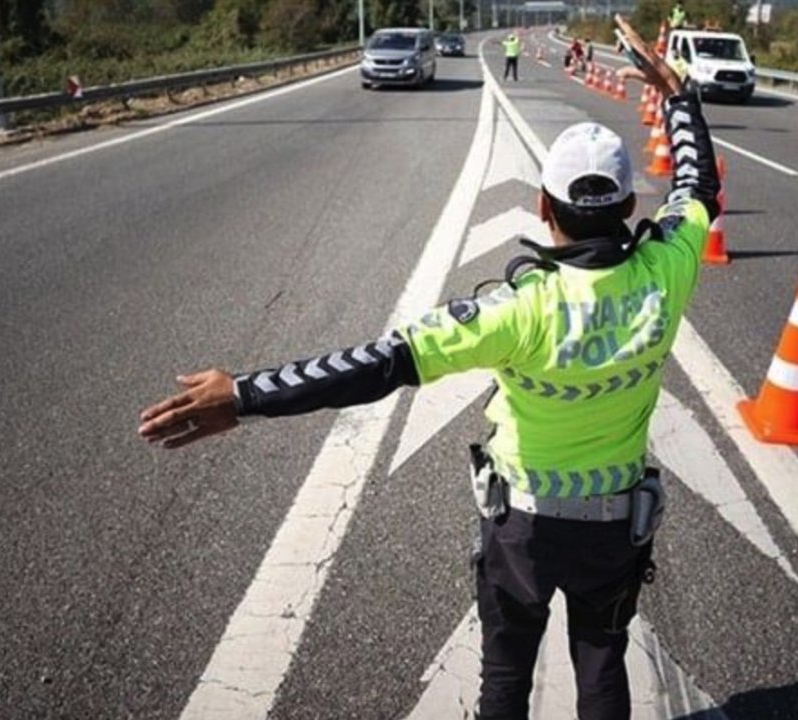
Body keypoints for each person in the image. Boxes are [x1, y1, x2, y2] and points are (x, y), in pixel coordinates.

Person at [137, 14, 720, 720]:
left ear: (542, 208)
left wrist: (246, 394)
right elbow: (697, 186)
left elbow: (377, 364)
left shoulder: (515, 311)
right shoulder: (668, 269)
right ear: (630, 206)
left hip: (525, 531)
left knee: (506, 678)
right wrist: (679, 97)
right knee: (601, 664)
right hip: (613, 526)